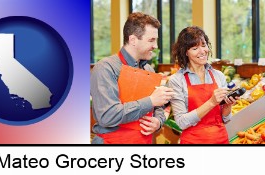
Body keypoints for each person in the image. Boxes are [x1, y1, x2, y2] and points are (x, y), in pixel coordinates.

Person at [90, 12, 174, 144]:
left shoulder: (148, 70)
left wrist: (158, 122)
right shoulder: (105, 68)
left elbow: (158, 107)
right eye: (151, 40)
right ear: (133, 40)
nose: (156, 46)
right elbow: (107, 116)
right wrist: (150, 101)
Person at [167, 26, 237, 144]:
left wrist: (227, 106)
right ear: (185, 52)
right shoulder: (176, 80)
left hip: (221, 139)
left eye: (204, 45)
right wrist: (211, 102)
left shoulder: (218, 75)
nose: (202, 51)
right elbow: (181, 122)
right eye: (195, 48)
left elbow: (225, 118)